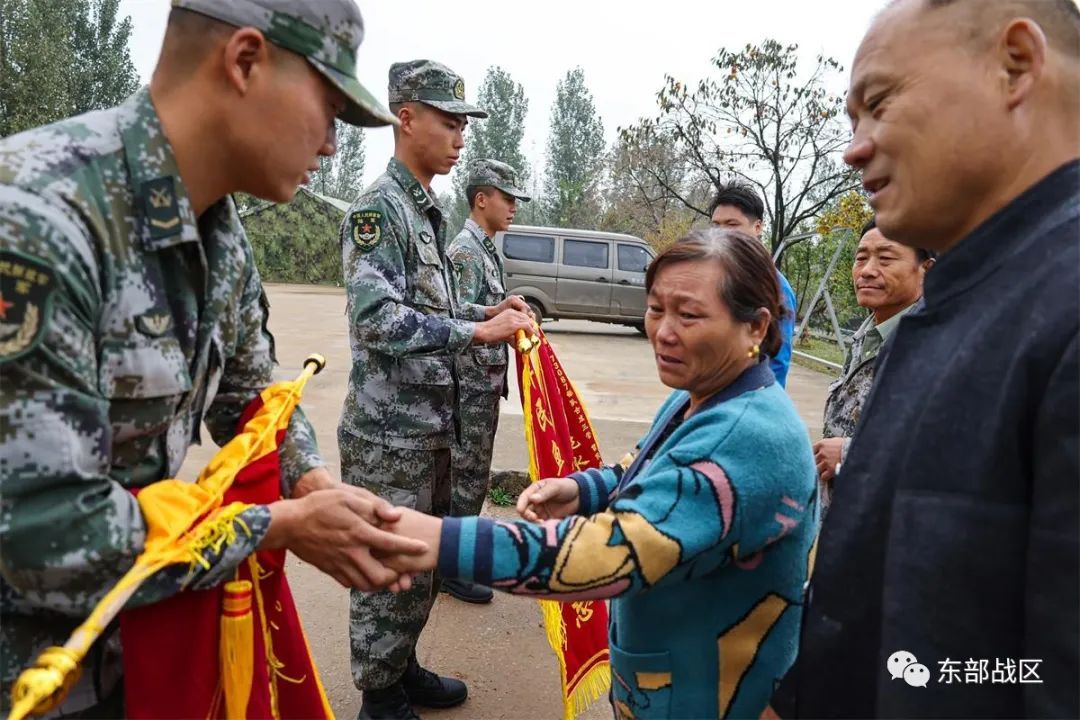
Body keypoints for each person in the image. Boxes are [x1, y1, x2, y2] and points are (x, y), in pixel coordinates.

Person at [0, 1, 429, 715]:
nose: (330, 144)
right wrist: (276, 528)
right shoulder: (39, 222)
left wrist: (311, 481)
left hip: (127, 647)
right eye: (328, 106)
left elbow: (252, 397)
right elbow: (42, 528)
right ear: (245, 61)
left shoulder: (217, 231)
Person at [769, 0, 1079, 717]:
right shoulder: (962, 302)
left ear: (1017, 65)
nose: (855, 147)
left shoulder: (1061, 310)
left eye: (876, 104)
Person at [379, 228, 820, 719]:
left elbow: (608, 553)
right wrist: (582, 489)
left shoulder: (751, 436)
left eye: (689, 315)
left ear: (756, 326)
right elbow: (646, 469)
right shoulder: (701, 394)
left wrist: (436, 540)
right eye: (656, 309)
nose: (664, 331)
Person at [338, 60, 535, 719]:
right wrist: (473, 335)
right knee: (387, 570)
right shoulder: (379, 209)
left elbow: (438, 308)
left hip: (427, 428)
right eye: (448, 121)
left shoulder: (423, 213)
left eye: (463, 124)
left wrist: (492, 317)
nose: (459, 136)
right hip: (388, 433)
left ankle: (402, 668)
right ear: (406, 117)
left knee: (420, 569)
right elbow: (377, 319)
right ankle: (378, 694)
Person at [442, 158, 532, 604]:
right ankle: (452, 568)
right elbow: (452, 315)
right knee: (467, 476)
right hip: (470, 384)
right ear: (482, 199)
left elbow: (476, 308)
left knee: (473, 475)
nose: (514, 207)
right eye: (508, 198)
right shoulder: (464, 251)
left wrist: (502, 307)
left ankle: (456, 560)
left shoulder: (484, 247)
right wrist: (496, 314)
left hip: (484, 382)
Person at [813, 218, 933, 504]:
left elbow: (943, 454)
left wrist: (848, 455)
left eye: (886, 259)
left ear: (926, 271)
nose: (867, 271)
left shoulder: (934, 348)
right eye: (861, 258)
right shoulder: (866, 336)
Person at [709, 183, 798, 387]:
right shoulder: (713, 277)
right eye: (716, 225)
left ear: (757, 227)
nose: (722, 234)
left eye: (732, 225)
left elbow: (776, 361)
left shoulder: (775, 288)